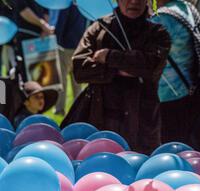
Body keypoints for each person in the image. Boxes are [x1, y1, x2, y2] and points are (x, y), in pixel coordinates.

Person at [63, 0, 171, 154]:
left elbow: (150, 66)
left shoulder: (158, 33)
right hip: (101, 117)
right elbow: (80, 69)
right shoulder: (100, 28)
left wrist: (109, 56)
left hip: (141, 123)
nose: (134, 2)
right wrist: (122, 69)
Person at [151, 0, 200, 153]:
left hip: (167, 98)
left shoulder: (162, 18)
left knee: (170, 152)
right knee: (192, 150)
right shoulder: (186, 8)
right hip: (192, 90)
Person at [54, 5, 87, 116]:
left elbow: (61, 24)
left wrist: (56, 41)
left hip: (65, 46)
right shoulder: (85, 6)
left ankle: (60, 109)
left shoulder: (67, 5)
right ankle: (78, 109)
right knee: (77, 81)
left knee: (62, 80)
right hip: (81, 46)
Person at [13, 0, 54, 80]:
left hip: (42, 37)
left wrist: (44, 29)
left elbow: (46, 9)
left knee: (45, 77)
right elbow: (23, 10)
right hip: (26, 38)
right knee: (29, 77)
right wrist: (44, 26)